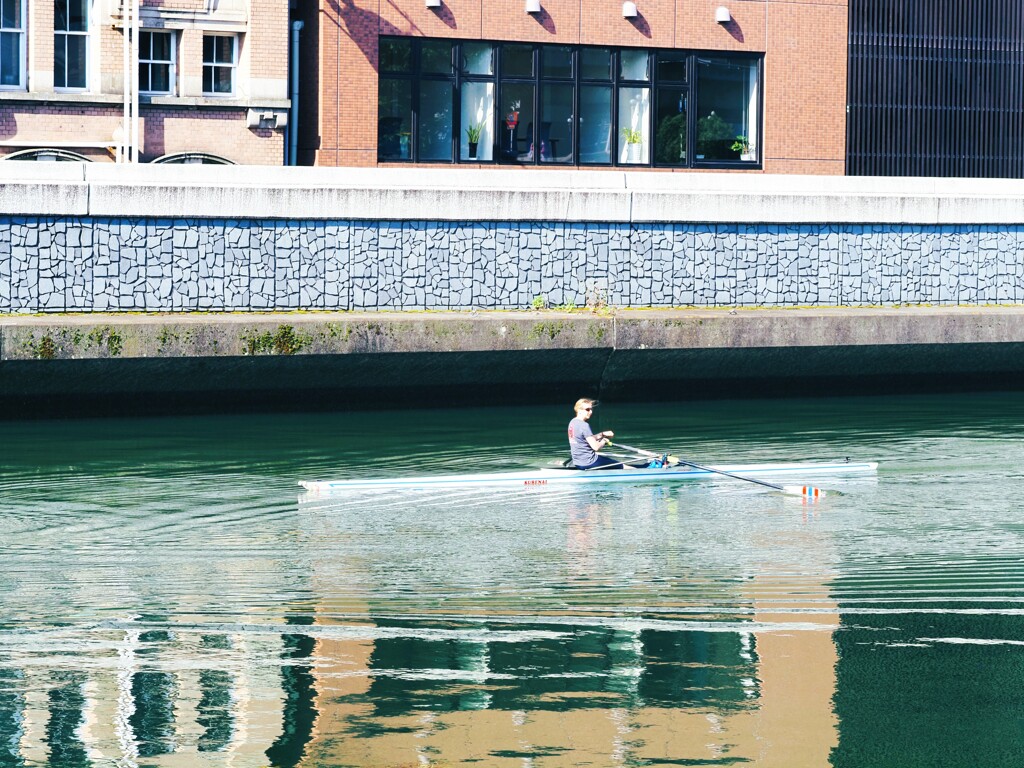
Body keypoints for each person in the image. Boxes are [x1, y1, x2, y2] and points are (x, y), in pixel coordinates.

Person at [567, 398, 618, 470]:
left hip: (578, 462)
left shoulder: (572, 422)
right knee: (621, 465)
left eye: (591, 409)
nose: (590, 412)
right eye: (587, 409)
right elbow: (596, 447)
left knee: (607, 460)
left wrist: (602, 434)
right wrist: (604, 441)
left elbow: (585, 438)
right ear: (579, 410)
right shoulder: (584, 425)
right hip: (590, 462)